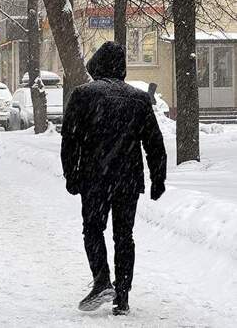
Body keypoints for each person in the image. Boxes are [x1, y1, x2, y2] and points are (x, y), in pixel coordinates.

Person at [60, 41, 167, 316]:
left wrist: (71, 174)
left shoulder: (83, 95)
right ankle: (123, 295)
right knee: (124, 236)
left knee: (93, 229)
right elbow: (154, 143)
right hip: (128, 180)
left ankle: (101, 280)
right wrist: (158, 179)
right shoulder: (139, 99)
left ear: (96, 64)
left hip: (94, 178)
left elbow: (69, 140)